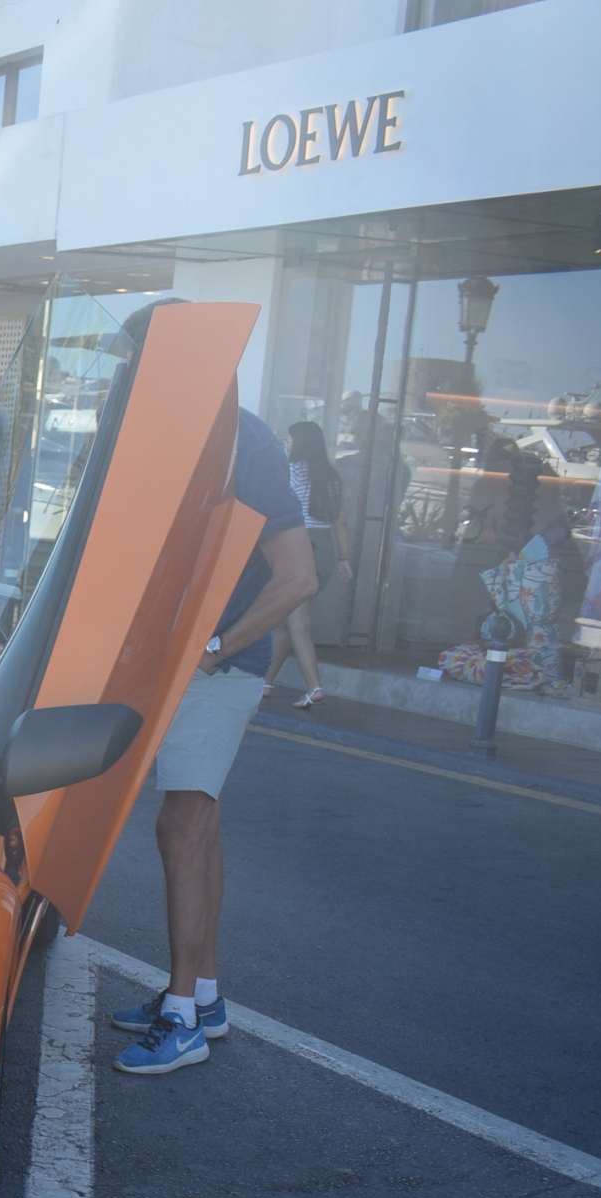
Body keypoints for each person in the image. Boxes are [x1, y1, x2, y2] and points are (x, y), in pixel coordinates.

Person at [112, 399, 320, 1076]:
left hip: (220, 666)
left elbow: (299, 576)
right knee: (200, 824)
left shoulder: (250, 448)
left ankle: (182, 1021)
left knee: (182, 826)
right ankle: (203, 997)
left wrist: (215, 649)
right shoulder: (211, 438)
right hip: (198, 660)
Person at [266, 419, 353, 708]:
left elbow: (276, 510)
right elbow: (340, 522)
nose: (287, 445)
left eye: (290, 440)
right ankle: (266, 681)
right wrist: (344, 559)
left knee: (298, 623)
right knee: (284, 620)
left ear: (298, 443)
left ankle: (314, 687)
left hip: (296, 546)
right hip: (324, 551)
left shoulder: (291, 472)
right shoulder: (330, 477)